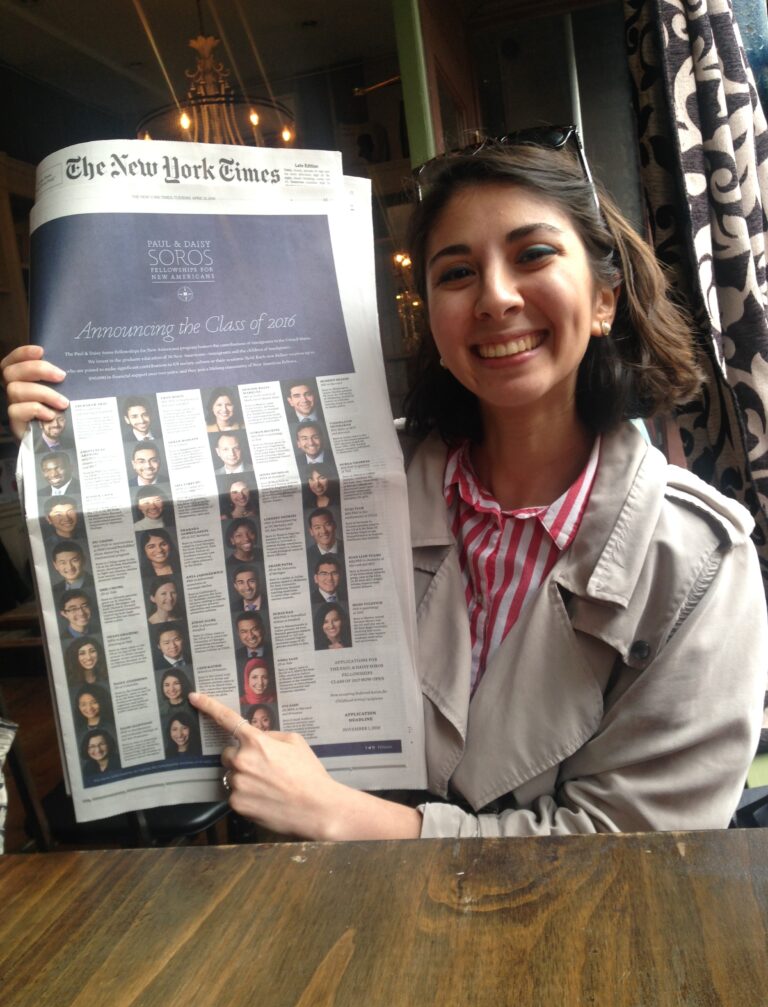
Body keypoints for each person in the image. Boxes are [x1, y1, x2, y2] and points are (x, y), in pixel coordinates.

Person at [6, 136, 766, 841]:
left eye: (532, 254)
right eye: (457, 272)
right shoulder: (350, 486)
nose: (495, 297)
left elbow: (631, 855)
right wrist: (68, 440)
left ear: (604, 299)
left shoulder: (699, 561)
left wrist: (341, 814)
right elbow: (180, 571)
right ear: (431, 316)